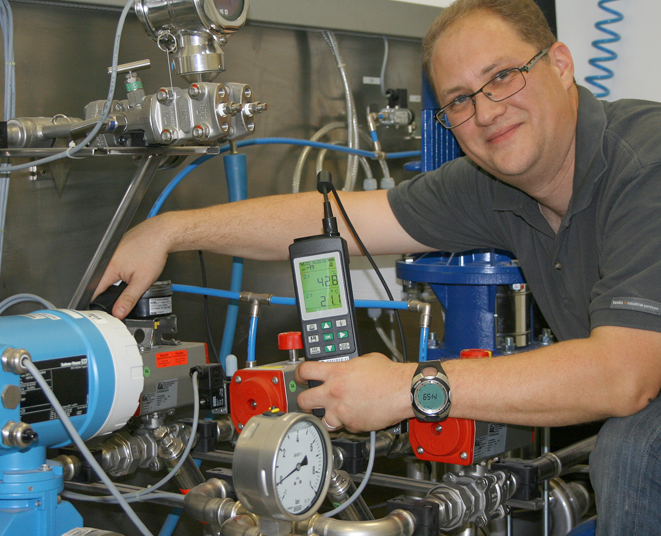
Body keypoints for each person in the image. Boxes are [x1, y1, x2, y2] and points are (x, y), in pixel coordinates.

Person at [95, 0, 661, 533]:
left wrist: (411, 387)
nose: (486, 111)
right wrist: (170, 229)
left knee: (631, 451)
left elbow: (622, 375)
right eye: (460, 100)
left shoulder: (645, 161)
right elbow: (334, 219)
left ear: (559, 65)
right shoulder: (495, 183)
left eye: (503, 76)